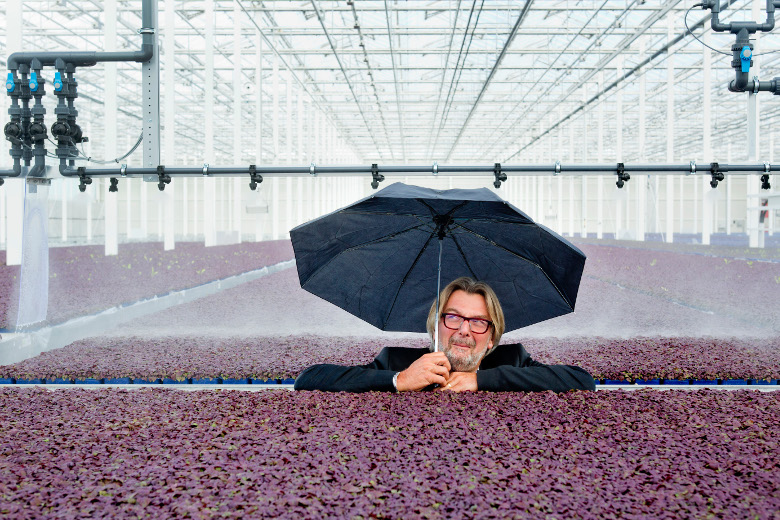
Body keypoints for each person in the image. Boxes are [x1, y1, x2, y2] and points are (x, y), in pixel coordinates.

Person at [294, 277, 595, 393]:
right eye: (452, 318)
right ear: (435, 326)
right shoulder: (396, 360)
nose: (464, 330)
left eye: (478, 322)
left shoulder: (512, 360)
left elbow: (582, 380)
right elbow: (309, 379)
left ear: (491, 338)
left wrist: (481, 380)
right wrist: (400, 380)